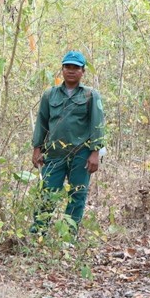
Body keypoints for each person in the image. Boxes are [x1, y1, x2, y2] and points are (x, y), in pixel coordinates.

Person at [31, 50, 105, 232]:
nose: (71, 71)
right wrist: (37, 148)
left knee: (77, 195)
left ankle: (69, 237)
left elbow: (98, 124)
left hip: (81, 153)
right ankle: (39, 233)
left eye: (75, 68)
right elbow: (42, 122)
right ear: (62, 70)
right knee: (47, 193)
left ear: (83, 71)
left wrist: (95, 153)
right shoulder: (50, 95)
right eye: (67, 67)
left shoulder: (90, 95)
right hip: (54, 153)